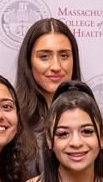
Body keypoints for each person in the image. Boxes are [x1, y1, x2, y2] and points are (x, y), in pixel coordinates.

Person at [15, 18, 81, 156]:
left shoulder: (88, 115)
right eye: (44, 57)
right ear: (28, 62)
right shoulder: (12, 120)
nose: (56, 67)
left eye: (64, 56)